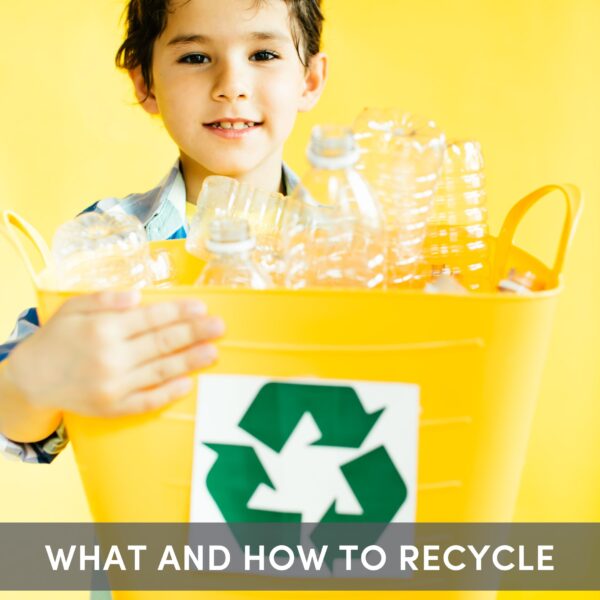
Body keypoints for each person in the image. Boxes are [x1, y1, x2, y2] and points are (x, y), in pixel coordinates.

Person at [0, 0, 327, 463]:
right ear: (145, 83)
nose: (231, 86)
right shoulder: (110, 240)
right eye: (195, 57)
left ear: (309, 80)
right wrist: (30, 382)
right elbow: (17, 424)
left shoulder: (360, 245)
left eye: (263, 55)